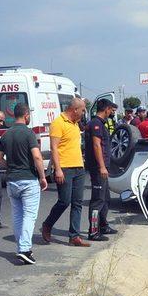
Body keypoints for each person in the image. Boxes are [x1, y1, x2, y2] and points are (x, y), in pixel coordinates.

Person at [0, 103, 48, 265]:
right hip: (28, 179)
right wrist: (42, 177)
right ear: (26, 115)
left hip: (12, 180)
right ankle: (25, 249)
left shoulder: (6, 135)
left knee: (18, 215)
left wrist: (10, 167)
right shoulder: (28, 133)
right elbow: (37, 157)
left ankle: (21, 248)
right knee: (29, 216)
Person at [41, 98, 90, 246]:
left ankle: (74, 236)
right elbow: (54, 148)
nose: (83, 113)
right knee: (64, 201)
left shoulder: (75, 124)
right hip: (65, 169)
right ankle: (48, 224)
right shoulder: (58, 123)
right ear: (75, 109)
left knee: (77, 202)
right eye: (82, 110)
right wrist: (58, 169)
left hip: (79, 168)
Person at [85, 99, 119, 241]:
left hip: (103, 167)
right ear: (106, 109)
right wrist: (102, 166)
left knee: (105, 198)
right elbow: (97, 146)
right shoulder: (96, 124)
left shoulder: (100, 124)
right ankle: (93, 231)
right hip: (99, 168)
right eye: (111, 110)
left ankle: (103, 225)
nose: (112, 112)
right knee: (98, 200)